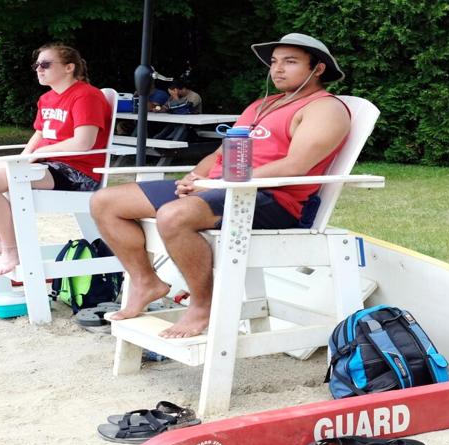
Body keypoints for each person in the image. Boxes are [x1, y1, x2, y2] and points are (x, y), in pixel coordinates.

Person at [90, 33, 350, 338]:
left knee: (173, 217)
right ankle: (146, 281)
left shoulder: (324, 109)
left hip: (272, 199)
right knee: (105, 203)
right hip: (222, 187)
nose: (277, 69)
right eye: (275, 62)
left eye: (290, 62)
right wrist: (194, 178)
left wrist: (218, 183)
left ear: (317, 69)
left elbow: (296, 166)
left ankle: (202, 306)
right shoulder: (261, 106)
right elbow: (220, 153)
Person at [0, 43, 110, 278]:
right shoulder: (47, 99)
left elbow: (84, 142)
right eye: (37, 65)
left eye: (46, 64)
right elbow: (39, 135)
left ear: (69, 67)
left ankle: (12, 250)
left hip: (77, 172)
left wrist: (36, 156)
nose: (39, 69)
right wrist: (22, 160)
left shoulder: (86, 95)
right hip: (46, 166)